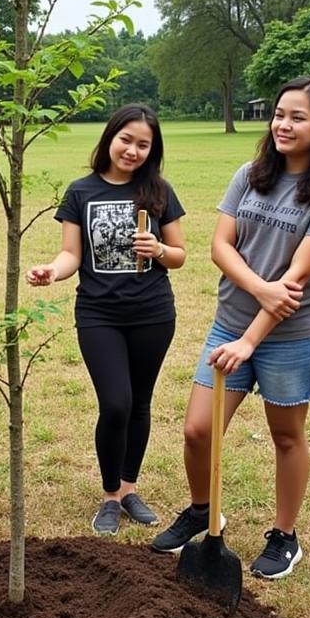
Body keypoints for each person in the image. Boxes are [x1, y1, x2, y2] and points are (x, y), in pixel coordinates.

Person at [151, 77, 310, 579]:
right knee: (198, 430)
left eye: (298, 117)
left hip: (292, 335)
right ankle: (204, 510)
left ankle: (285, 535)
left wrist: (252, 334)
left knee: (286, 435)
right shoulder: (251, 174)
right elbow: (220, 246)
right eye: (279, 114)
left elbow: (296, 281)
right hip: (231, 323)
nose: (283, 124)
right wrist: (258, 291)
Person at [27, 104, 187, 535]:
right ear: (110, 137)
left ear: (152, 151)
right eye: (126, 140)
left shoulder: (158, 191)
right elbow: (71, 255)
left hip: (153, 312)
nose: (132, 150)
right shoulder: (81, 192)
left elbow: (179, 255)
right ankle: (110, 495)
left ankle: (130, 489)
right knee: (115, 401)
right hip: (99, 313)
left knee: (139, 403)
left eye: (143, 144)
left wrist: (157, 250)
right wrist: (52, 271)